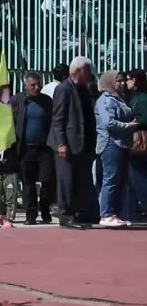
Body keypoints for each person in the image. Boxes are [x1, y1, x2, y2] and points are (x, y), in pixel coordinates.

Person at [50, 56, 98, 228]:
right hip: (66, 144)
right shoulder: (64, 89)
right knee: (66, 180)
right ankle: (65, 214)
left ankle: (78, 212)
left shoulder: (83, 89)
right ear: (80, 70)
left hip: (82, 143)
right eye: (88, 71)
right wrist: (61, 143)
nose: (90, 75)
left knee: (79, 180)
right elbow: (58, 118)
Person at [95, 70, 138, 228]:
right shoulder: (106, 100)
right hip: (110, 143)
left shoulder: (120, 99)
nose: (121, 83)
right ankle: (106, 213)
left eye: (122, 81)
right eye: (118, 81)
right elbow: (109, 123)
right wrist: (129, 126)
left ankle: (117, 213)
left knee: (120, 179)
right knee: (111, 178)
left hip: (122, 143)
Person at [12, 73, 55, 224]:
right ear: (25, 85)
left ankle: (45, 209)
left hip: (44, 148)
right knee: (28, 184)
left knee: (47, 181)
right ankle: (31, 215)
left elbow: (54, 122)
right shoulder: (17, 101)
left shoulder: (47, 101)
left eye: (39, 84)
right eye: (33, 85)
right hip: (25, 149)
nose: (37, 88)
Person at [0, 115, 21, 229]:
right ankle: (3, 212)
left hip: (10, 168)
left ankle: (9, 218)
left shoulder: (14, 135)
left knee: (10, 196)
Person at [124, 70, 147, 223]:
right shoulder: (134, 97)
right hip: (134, 142)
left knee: (138, 176)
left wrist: (133, 122)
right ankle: (134, 209)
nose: (126, 83)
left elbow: (144, 118)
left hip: (139, 142)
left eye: (128, 80)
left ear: (135, 80)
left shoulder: (142, 98)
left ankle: (143, 206)